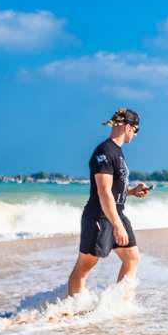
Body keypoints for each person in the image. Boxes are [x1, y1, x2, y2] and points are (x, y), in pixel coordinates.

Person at [67, 108, 151, 296]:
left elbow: (112, 189)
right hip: (99, 217)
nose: (135, 135)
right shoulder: (104, 151)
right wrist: (116, 225)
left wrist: (131, 191)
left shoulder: (118, 152)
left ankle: (119, 305)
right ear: (129, 127)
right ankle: (71, 311)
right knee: (84, 267)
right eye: (136, 130)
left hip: (116, 214)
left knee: (132, 258)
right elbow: (103, 191)